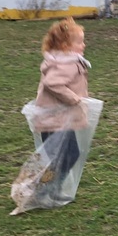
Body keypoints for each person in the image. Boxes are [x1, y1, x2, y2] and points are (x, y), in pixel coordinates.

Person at [33, 17, 91, 202]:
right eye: (80, 42)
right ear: (66, 46)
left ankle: (51, 189)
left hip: (57, 118)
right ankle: (44, 190)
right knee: (65, 156)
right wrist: (74, 99)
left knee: (62, 156)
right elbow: (53, 84)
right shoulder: (67, 63)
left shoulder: (64, 60)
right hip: (56, 120)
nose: (84, 44)